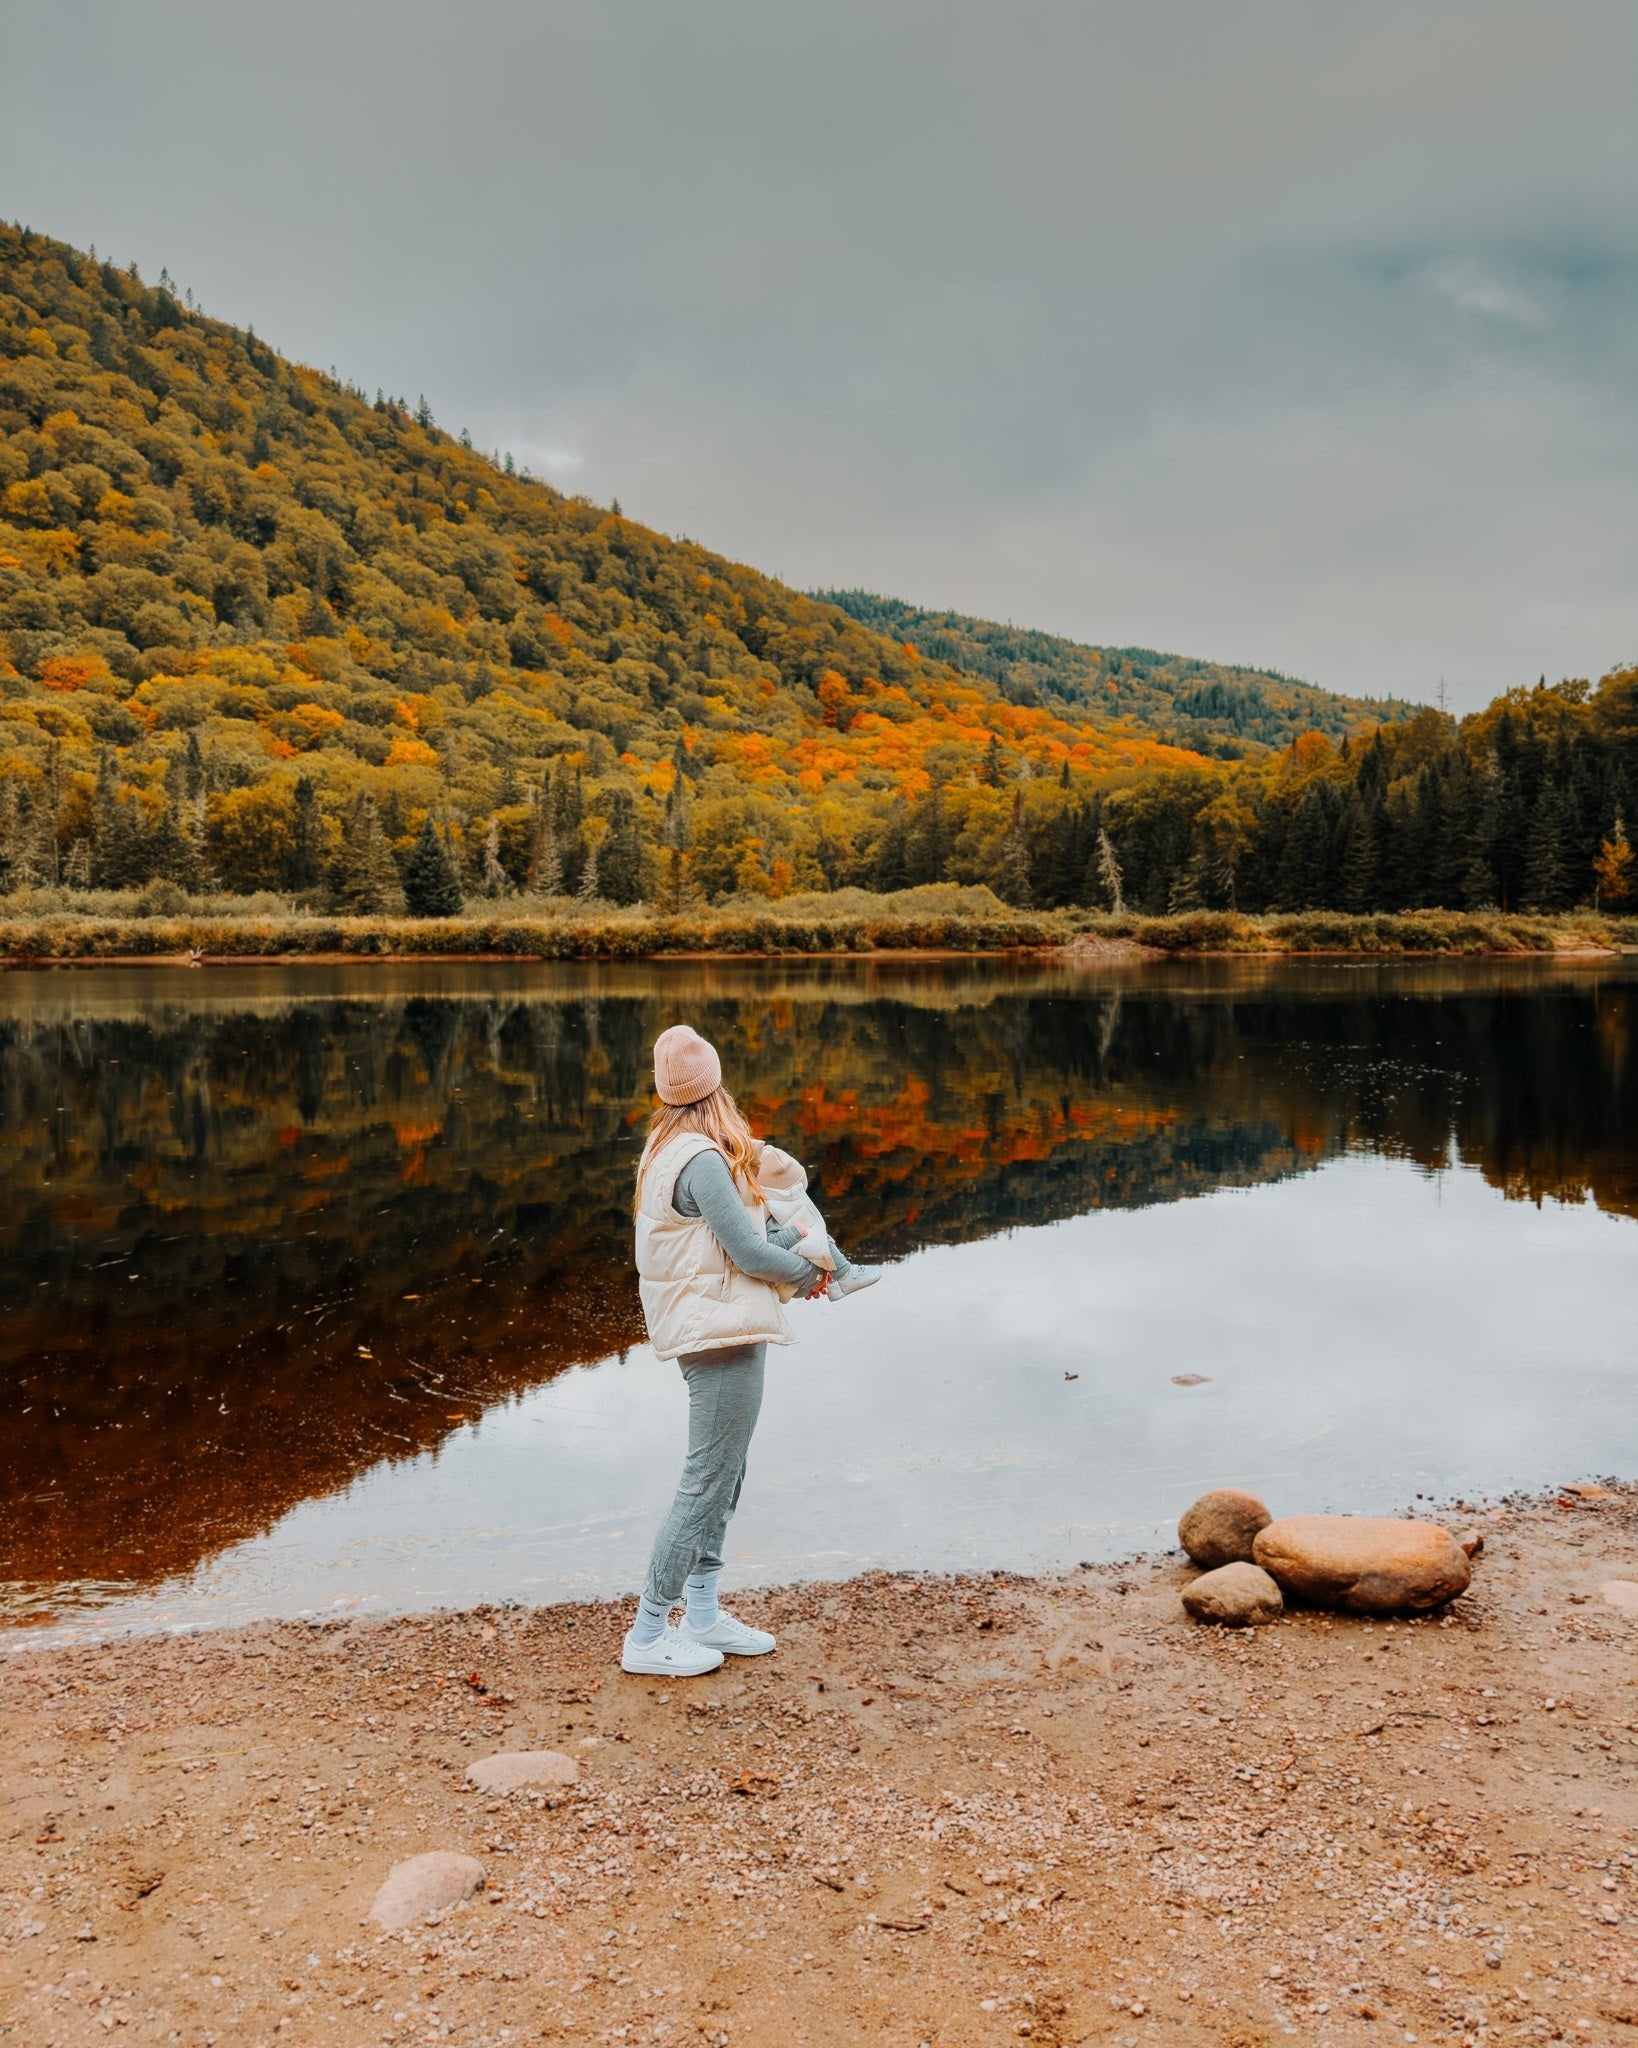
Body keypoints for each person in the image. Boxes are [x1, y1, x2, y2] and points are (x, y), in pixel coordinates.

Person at [625, 1024, 831, 1678]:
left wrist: (790, 1244)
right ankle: (649, 1631)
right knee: (706, 1480)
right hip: (717, 1333)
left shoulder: (668, 1149)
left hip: (718, 1324)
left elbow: (740, 1235)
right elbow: (748, 1252)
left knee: (726, 1471)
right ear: (714, 1086)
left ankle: (705, 1613)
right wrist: (811, 1275)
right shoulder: (701, 1159)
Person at [757, 1144, 881, 1300]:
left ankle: (834, 1281)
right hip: (778, 1278)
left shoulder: (777, 1213)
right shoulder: (768, 1215)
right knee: (817, 1236)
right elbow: (767, 1246)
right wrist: (797, 1232)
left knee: (821, 1237)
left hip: (788, 1278)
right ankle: (844, 1274)